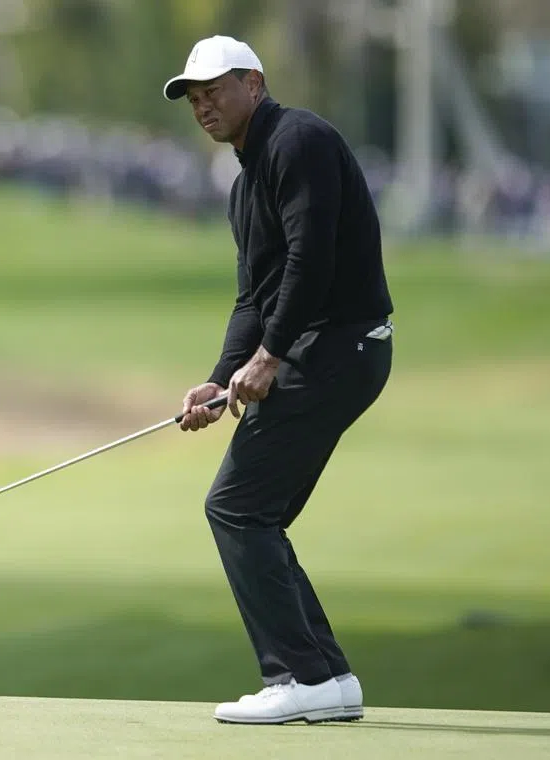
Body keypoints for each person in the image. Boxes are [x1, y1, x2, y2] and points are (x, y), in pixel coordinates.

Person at [163, 35, 395, 724]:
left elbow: (309, 260)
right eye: (195, 98)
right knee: (256, 516)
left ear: (254, 83)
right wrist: (218, 379)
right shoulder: (246, 183)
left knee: (235, 508)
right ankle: (330, 679)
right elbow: (253, 298)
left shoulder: (299, 141)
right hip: (322, 351)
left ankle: (299, 676)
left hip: (339, 347)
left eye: (215, 91)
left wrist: (268, 358)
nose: (203, 106)